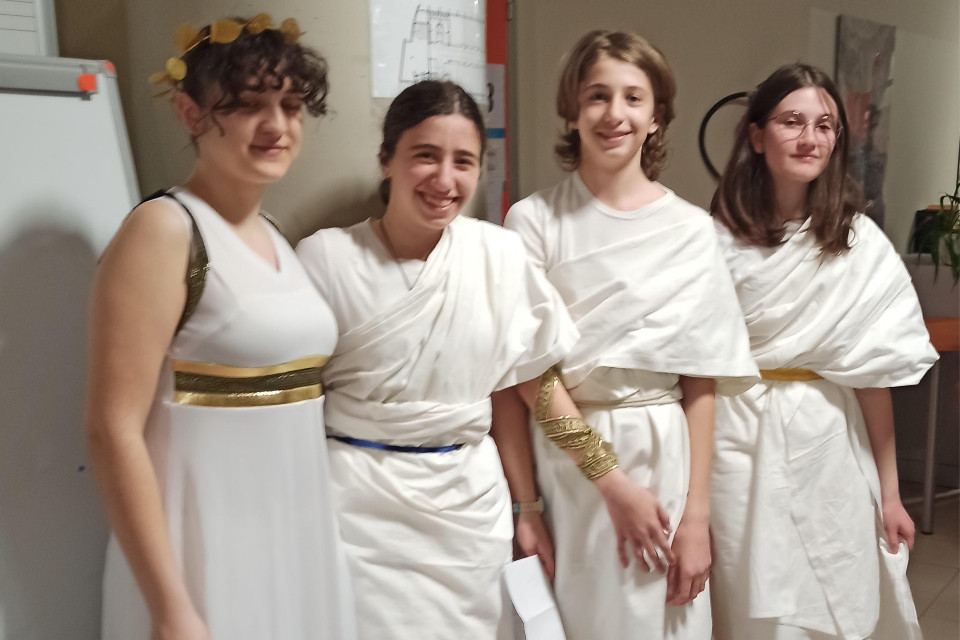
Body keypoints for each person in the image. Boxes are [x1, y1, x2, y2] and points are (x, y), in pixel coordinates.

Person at [87, 15, 355, 640]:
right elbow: (110, 431)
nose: (277, 125)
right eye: (249, 105)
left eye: (291, 106)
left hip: (296, 541)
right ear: (190, 113)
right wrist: (170, 608)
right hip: (200, 558)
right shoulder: (164, 230)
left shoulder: (276, 237)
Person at [296, 79, 578, 640]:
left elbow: (530, 385)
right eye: (425, 155)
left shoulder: (497, 254)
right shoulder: (326, 258)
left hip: (468, 510)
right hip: (356, 509)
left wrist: (594, 483)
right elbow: (294, 403)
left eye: (463, 161)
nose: (445, 180)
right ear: (386, 159)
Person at [500, 30, 757, 639]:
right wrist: (604, 484)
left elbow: (701, 381)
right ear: (572, 110)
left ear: (656, 116)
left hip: (665, 452)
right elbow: (525, 374)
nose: (614, 113)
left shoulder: (692, 230)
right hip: (571, 462)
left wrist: (695, 519)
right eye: (597, 96)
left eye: (633, 98)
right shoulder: (532, 222)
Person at [709, 63, 938, 640]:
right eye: (792, 121)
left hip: (828, 440)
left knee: (832, 588)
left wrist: (891, 495)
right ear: (756, 135)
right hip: (735, 441)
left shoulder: (858, 244)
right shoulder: (713, 239)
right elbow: (690, 370)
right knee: (746, 603)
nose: (809, 138)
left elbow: (871, 376)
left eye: (825, 125)